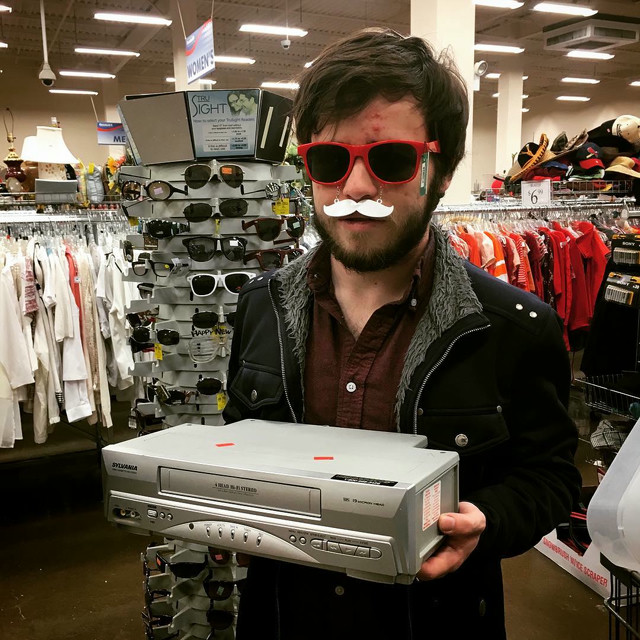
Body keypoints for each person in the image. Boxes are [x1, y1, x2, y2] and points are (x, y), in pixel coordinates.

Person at [223, 27, 581, 640]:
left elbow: (551, 475)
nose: (356, 188)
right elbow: (241, 439)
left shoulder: (512, 329)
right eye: (331, 161)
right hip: (285, 619)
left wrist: (486, 521)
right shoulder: (260, 307)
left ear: (439, 174)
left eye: (390, 160)